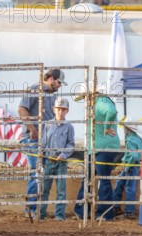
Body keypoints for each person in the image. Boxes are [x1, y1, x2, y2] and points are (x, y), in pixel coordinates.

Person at [18, 68, 66, 218]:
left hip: (45, 140)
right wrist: (33, 130)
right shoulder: (34, 90)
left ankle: (37, 208)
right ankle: (31, 209)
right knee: (37, 171)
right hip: (32, 138)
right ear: (51, 78)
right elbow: (21, 110)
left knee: (41, 172)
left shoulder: (52, 97)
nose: (59, 85)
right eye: (58, 82)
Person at [73, 82, 120, 221]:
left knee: (100, 179)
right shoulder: (97, 103)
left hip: (102, 148)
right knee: (91, 179)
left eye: (85, 96)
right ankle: (86, 212)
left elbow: (111, 112)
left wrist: (105, 127)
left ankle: (102, 213)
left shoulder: (102, 100)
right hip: (96, 148)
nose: (85, 99)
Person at [39, 98, 75, 221]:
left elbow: (71, 144)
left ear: (67, 111)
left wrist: (63, 155)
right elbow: (43, 143)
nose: (61, 112)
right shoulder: (47, 124)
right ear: (54, 110)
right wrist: (42, 158)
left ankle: (59, 215)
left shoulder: (69, 127)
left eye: (63, 109)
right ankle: (40, 213)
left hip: (61, 162)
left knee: (61, 190)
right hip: (48, 160)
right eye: (58, 109)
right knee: (44, 189)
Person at [112, 117, 142, 220]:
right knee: (122, 185)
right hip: (135, 166)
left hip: (130, 165)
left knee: (127, 187)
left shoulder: (130, 140)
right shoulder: (138, 138)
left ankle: (127, 211)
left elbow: (133, 155)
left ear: (127, 128)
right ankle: (117, 208)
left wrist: (127, 166)